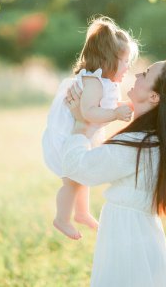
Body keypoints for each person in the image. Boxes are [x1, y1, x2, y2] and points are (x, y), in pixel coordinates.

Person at [61, 59, 166, 287]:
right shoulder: (156, 141)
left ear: (155, 97)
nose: (136, 76)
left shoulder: (136, 145)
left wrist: (79, 123)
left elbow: (77, 168)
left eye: (145, 74)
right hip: (140, 239)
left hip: (127, 243)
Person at [42, 16, 138, 240]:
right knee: (71, 181)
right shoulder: (94, 82)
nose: (128, 67)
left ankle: (82, 212)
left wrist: (127, 105)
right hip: (69, 137)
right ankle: (62, 218)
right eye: (125, 61)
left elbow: (106, 106)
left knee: (80, 176)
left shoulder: (104, 82)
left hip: (83, 134)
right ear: (108, 60)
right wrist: (115, 114)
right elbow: (88, 112)